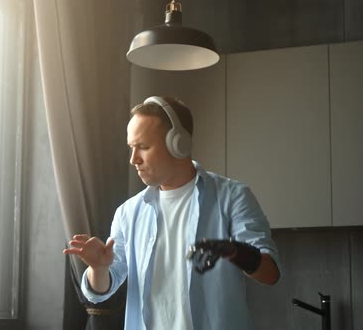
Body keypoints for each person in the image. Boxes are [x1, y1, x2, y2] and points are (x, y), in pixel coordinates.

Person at [64, 95, 281, 330]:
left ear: (178, 143)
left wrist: (236, 251)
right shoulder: (128, 213)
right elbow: (99, 293)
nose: (133, 159)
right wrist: (99, 268)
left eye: (143, 147)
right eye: (131, 148)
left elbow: (270, 274)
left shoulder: (233, 197)